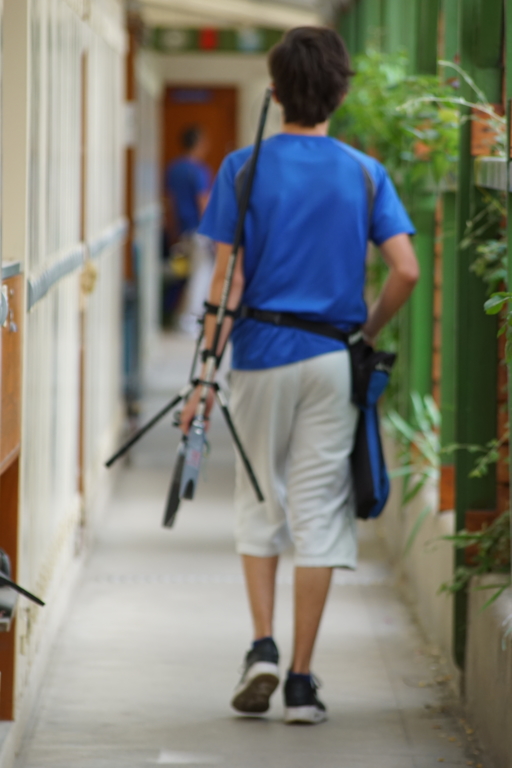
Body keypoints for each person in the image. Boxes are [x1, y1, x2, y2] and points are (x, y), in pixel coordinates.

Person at [181, 27, 419, 724]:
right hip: (332, 358)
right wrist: (365, 332)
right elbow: (406, 270)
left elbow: (228, 281)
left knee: (261, 503)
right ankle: (303, 685)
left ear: (276, 91)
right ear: (340, 94)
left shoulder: (243, 167)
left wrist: (203, 379)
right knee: (319, 514)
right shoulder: (365, 173)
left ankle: (262, 647)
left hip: (261, 353)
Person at [164, 126, 213, 334]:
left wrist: (172, 230)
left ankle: (182, 317)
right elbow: (203, 201)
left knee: (189, 273)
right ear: (199, 144)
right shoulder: (199, 170)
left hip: (182, 228)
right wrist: (211, 230)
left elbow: (170, 202)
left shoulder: (173, 169)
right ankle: (189, 319)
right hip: (198, 229)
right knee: (201, 274)